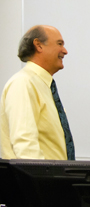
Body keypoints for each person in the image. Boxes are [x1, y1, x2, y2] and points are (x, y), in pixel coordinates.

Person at [0, 25, 75, 160]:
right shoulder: (23, 83)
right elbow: (26, 147)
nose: (65, 51)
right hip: (37, 180)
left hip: (51, 179)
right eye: (59, 44)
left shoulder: (43, 86)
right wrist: (41, 181)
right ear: (38, 45)